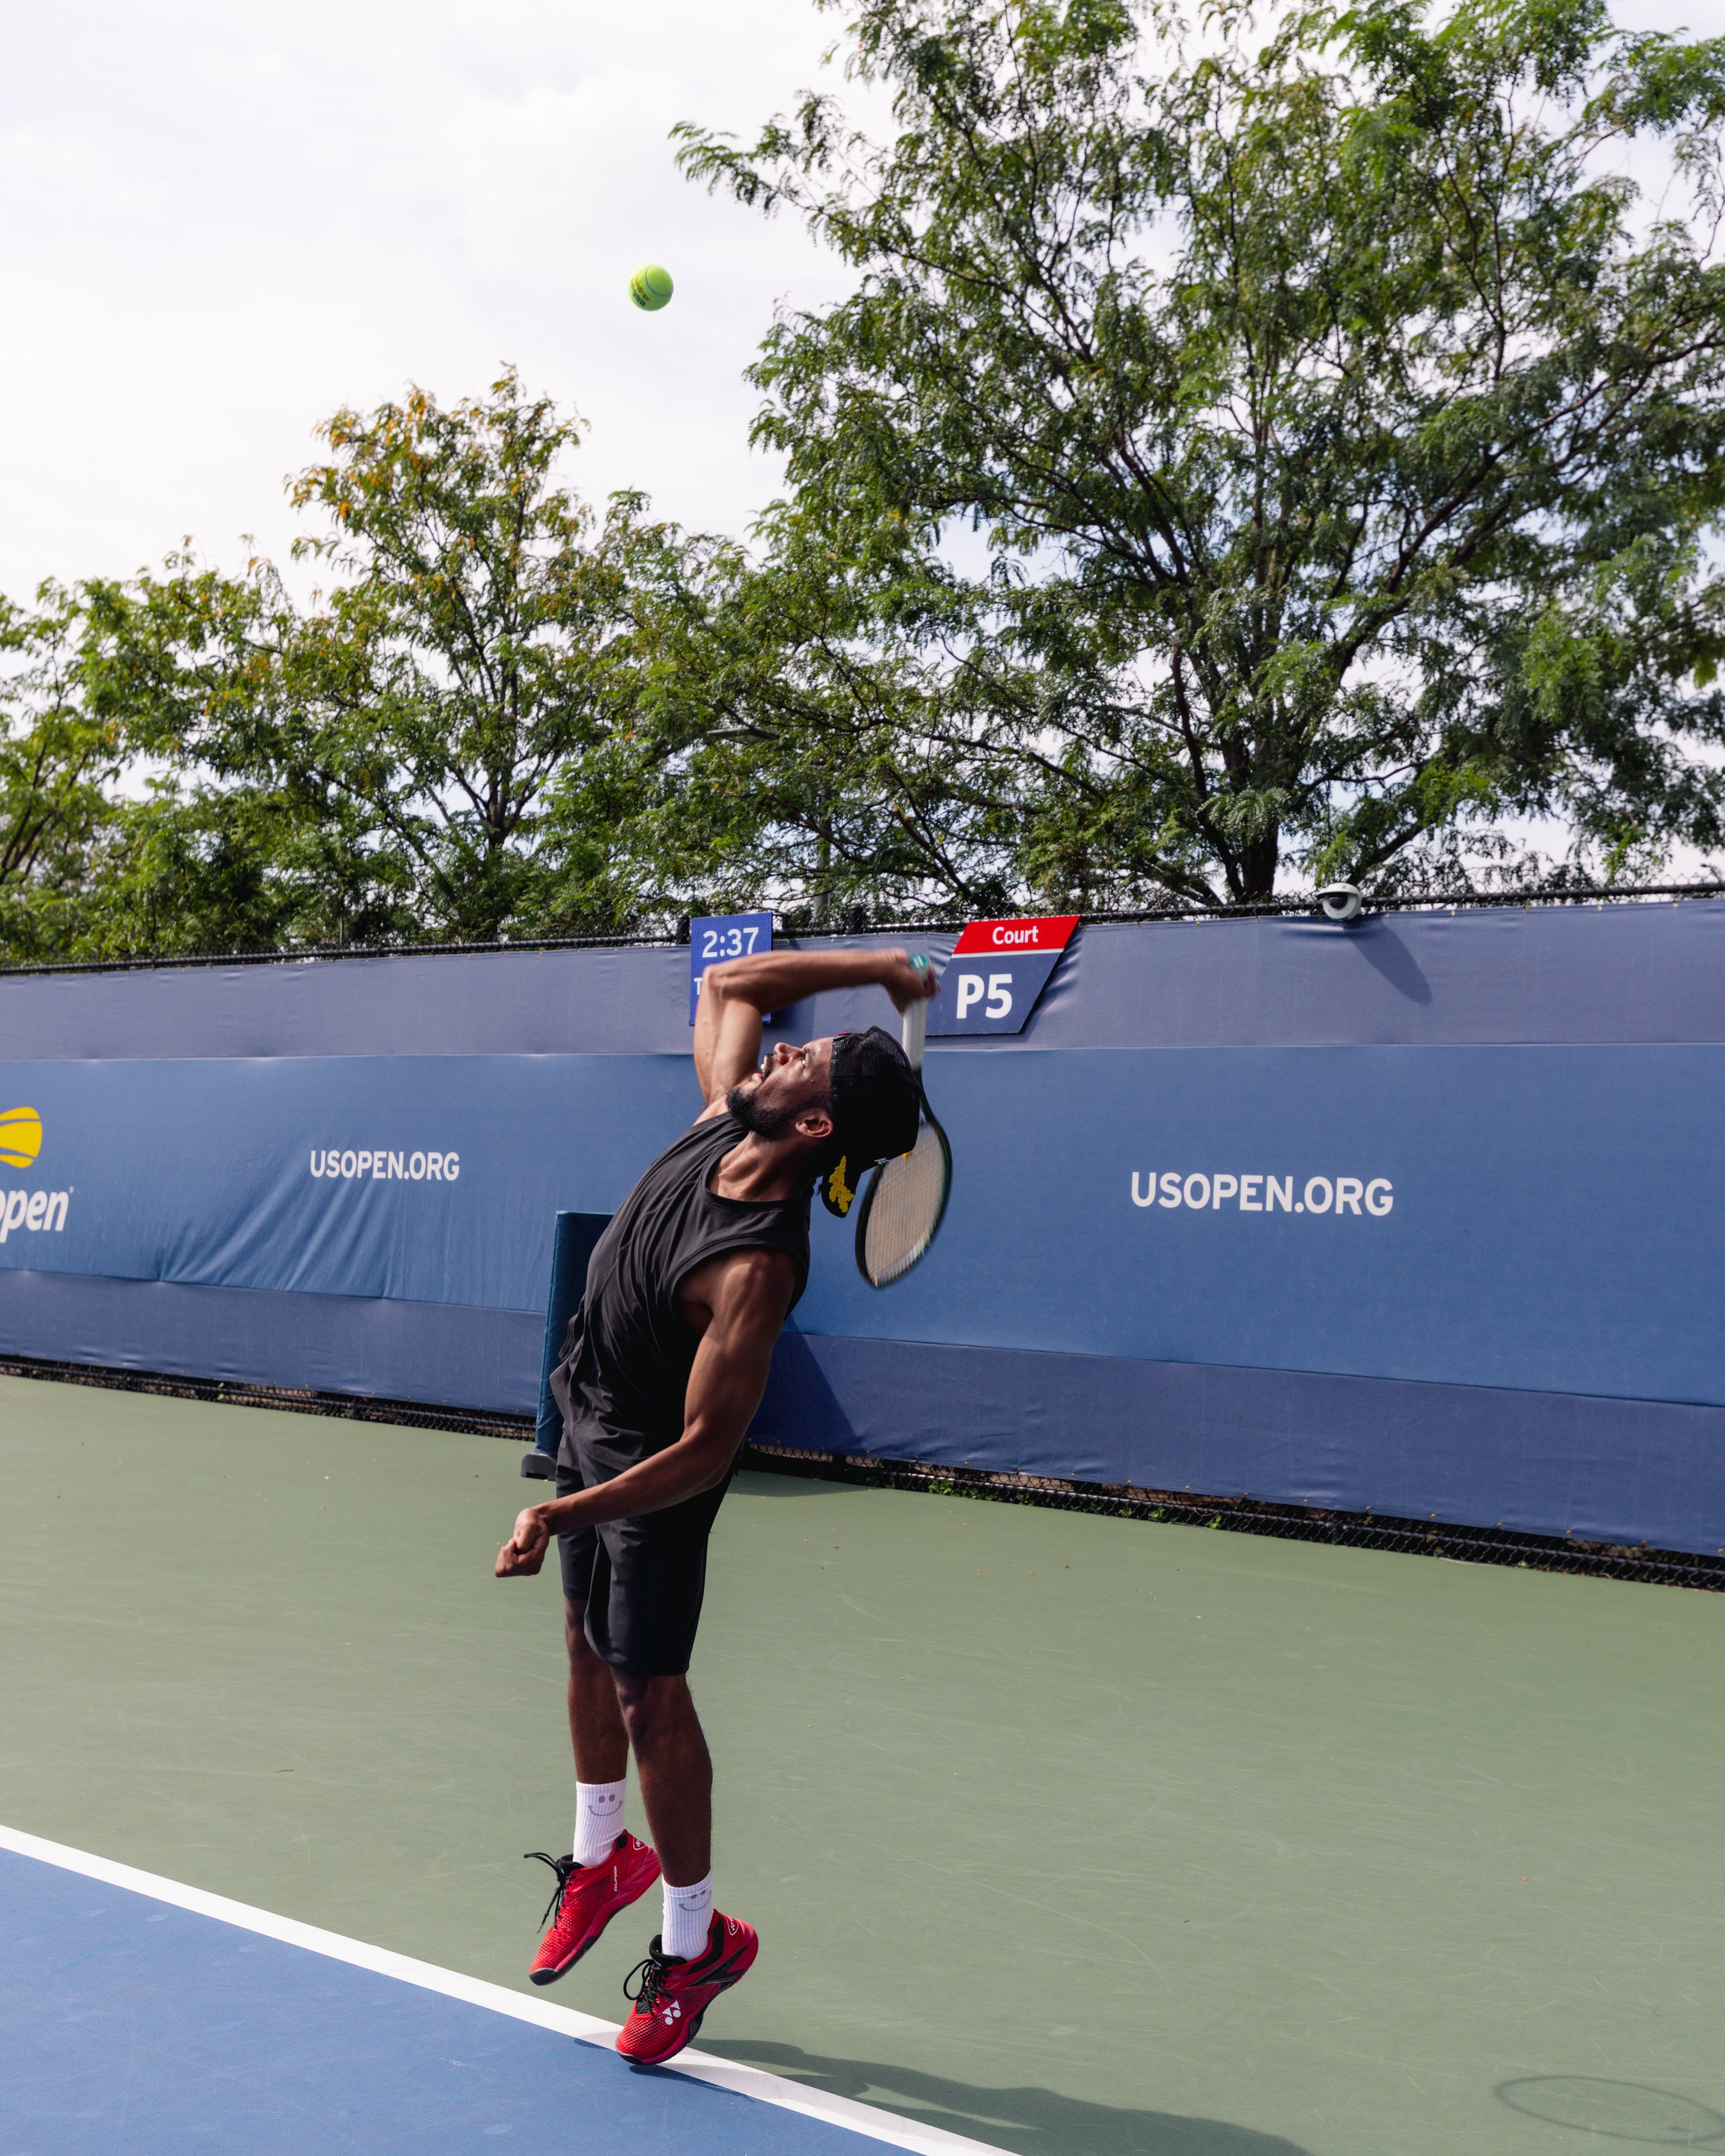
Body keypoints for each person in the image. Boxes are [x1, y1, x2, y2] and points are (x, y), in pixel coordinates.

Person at [494, 944, 935, 2064]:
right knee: (585, 1646)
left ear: (818, 1127)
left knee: (649, 1694)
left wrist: (565, 1511)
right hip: (589, 1411)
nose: (785, 1046)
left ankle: (697, 1944)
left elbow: (700, 1451)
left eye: (811, 1059)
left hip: (650, 1475)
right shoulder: (722, 1119)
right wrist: (878, 964)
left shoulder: (754, 1271)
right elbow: (737, 986)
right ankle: (604, 1857)